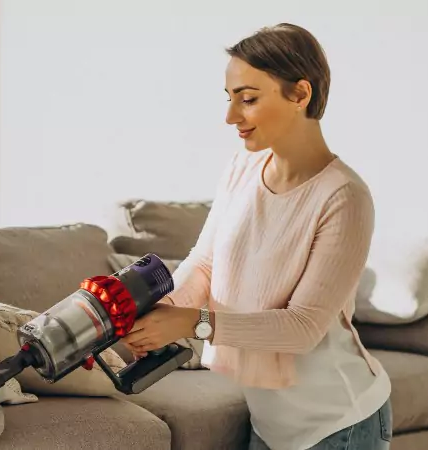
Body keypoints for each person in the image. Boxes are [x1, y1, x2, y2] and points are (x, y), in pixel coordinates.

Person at [120, 23, 393, 450]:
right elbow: (206, 262)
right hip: (272, 427)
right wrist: (162, 312)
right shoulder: (241, 170)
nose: (231, 117)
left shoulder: (344, 197)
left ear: (300, 94)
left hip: (340, 425)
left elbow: (302, 328)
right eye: (230, 99)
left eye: (248, 99)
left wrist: (191, 324)